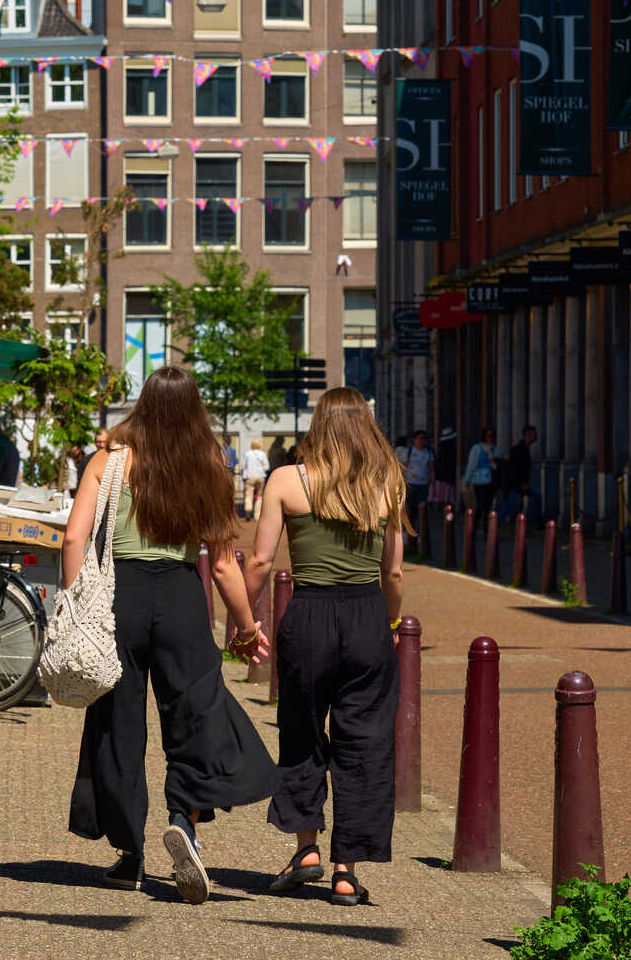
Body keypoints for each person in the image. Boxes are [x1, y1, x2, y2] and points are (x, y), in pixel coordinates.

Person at [65, 367, 277, 904]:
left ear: (143, 404)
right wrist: (247, 627)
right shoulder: (208, 463)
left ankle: (130, 853)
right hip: (183, 596)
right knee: (197, 711)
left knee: (118, 721)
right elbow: (225, 564)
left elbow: (74, 536)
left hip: (121, 599)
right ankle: (186, 816)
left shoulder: (110, 460)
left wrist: (73, 601)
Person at [244, 388, 409, 906]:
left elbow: (260, 561)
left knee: (302, 731)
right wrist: (386, 620)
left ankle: (307, 848)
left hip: (309, 615)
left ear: (319, 425)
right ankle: (346, 871)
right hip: (365, 615)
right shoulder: (386, 484)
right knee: (365, 745)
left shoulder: (286, 480)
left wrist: (243, 621)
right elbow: (395, 571)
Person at [396, 430, 433, 549]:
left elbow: (431, 467)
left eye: (424, 438)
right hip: (411, 483)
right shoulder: (409, 452)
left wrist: (432, 482)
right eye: (420, 438)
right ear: (415, 440)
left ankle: (420, 535)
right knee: (410, 509)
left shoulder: (428, 452)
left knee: (421, 509)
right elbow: (402, 466)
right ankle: (409, 535)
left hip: (423, 484)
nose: (423, 441)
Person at [498, 425, 541, 520]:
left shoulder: (524, 449)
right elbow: (512, 469)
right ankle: (491, 527)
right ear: (528, 435)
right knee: (506, 509)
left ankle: (538, 521)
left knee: (537, 497)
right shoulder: (518, 450)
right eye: (534, 434)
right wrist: (521, 483)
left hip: (516, 485)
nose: (536, 436)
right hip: (512, 486)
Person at [464, 427, 499, 517]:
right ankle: (475, 525)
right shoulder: (477, 448)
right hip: (480, 480)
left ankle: (485, 527)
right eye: (489, 436)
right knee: (480, 503)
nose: (491, 438)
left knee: (489, 505)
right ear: (484, 436)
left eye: (493, 436)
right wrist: (467, 479)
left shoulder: (496, 449)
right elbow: (471, 464)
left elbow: (498, 465)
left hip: (492, 480)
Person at [241, 439, 270, 520]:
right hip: (260, 477)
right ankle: (257, 515)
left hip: (250, 476)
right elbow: (267, 467)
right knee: (260, 496)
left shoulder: (247, 454)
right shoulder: (263, 454)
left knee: (248, 494)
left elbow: (243, 466)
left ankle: (248, 510)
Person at [430, 428, 458, 509]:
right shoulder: (450, 448)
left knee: (442, 497)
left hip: (441, 475)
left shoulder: (441, 448)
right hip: (446, 476)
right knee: (447, 498)